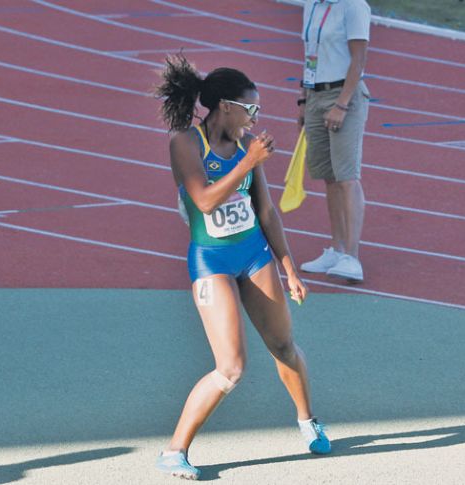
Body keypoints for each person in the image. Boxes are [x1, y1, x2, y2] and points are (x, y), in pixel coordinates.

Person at [153, 54, 331, 480]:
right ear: (226, 107)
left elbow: (266, 212)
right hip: (211, 260)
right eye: (250, 109)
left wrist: (289, 269)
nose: (255, 118)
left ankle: (307, 422)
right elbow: (205, 200)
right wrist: (248, 162)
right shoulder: (186, 143)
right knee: (230, 367)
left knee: (284, 345)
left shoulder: (244, 148)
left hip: (253, 254)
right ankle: (175, 451)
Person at [297, 0, 372, 283]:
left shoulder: (353, 6)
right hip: (315, 95)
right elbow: (309, 55)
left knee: (347, 177)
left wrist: (341, 104)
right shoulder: (312, 5)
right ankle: (337, 248)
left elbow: (359, 59)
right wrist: (303, 101)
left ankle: (352, 256)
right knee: (328, 176)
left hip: (344, 95)